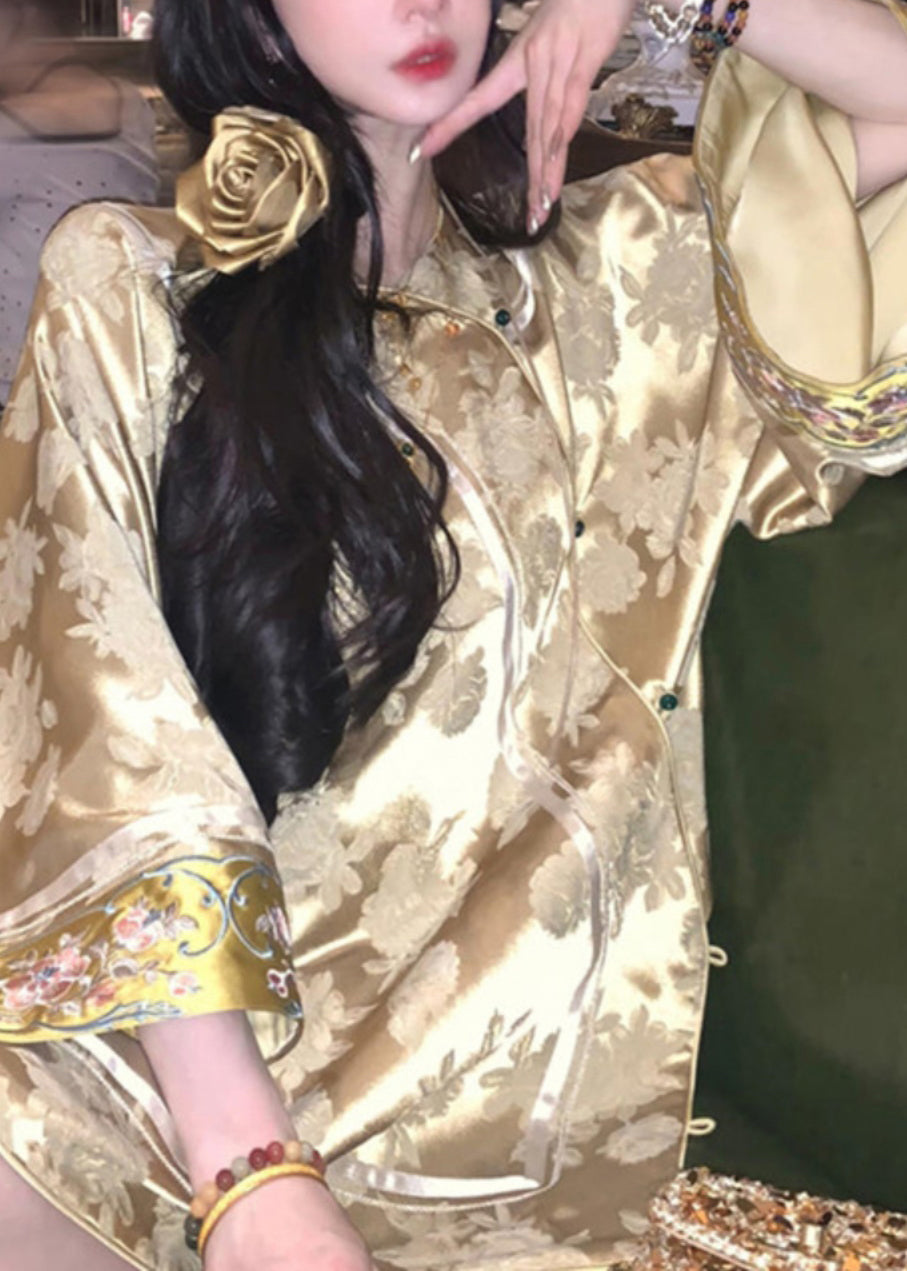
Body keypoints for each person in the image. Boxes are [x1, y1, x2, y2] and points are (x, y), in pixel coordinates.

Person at [0, 1, 906, 1269]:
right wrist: (252, 1178)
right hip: (188, 1074)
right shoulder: (129, 281)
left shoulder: (622, 272)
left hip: (525, 1103)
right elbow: (114, 724)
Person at [0, 0, 159, 405]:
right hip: (115, 364)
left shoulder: (10, 132)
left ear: (19, 18)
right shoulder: (130, 105)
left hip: (21, 382)